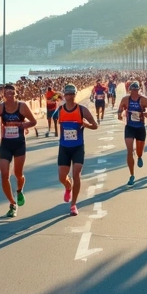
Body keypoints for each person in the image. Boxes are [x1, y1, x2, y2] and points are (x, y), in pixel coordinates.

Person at [0, 83, 38, 217]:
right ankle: (12, 203)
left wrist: (23, 125)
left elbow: (33, 121)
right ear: (3, 95)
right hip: (5, 144)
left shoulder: (22, 106)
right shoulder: (0, 108)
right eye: (7, 93)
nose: (10, 95)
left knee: (18, 174)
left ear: (16, 94)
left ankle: (19, 190)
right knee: (4, 175)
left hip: (19, 144)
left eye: (12, 93)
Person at [56, 84, 99, 216]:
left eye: (72, 94)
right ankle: (68, 187)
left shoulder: (82, 110)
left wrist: (85, 124)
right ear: (64, 95)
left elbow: (95, 125)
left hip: (78, 147)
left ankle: (73, 204)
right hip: (64, 147)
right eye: (67, 94)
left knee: (76, 175)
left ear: (75, 95)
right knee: (62, 177)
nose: (69, 96)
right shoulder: (60, 110)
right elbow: (60, 126)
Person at [117, 81, 147, 187]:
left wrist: (143, 113)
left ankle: (139, 156)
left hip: (140, 128)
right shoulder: (125, 99)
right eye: (132, 90)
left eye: (136, 90)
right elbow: (119, 110)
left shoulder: (144, 100)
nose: (134, 92)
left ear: (139, 90)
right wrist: (120, 114)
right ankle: (132, 175)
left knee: (139, 151)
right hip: (129, 127)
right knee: (129, 151)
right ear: (130, 90)